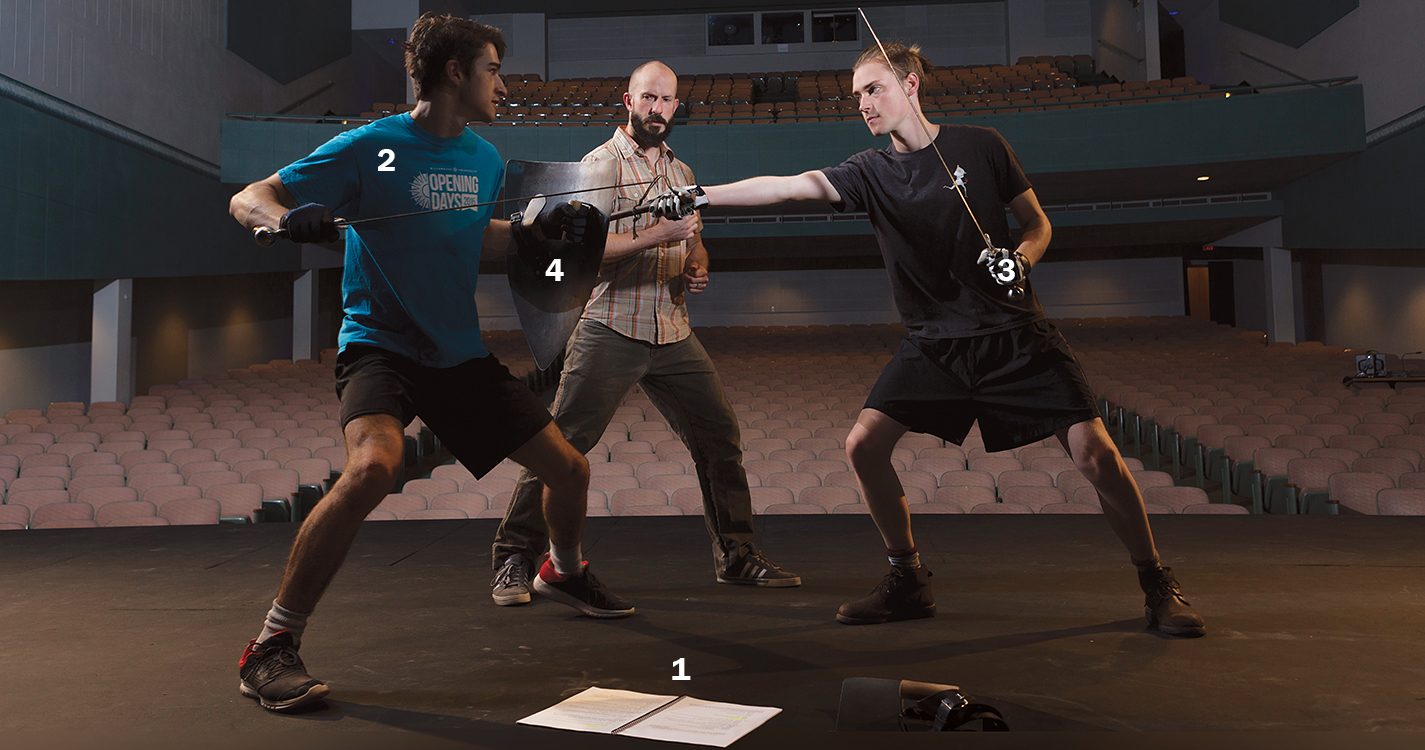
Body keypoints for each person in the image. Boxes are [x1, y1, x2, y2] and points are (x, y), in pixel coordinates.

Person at [651, 43, 1205, 636]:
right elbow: (790, 186)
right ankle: (907, 579)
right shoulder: (870, 171)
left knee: (1097, 455)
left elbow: (1039, 225)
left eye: (873, 89)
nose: (862, 103)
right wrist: (702, 194)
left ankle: (1156, 583)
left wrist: (1021, 260)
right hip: (935, 344)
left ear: (910, 85)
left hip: (1015, 333)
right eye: (856, 94)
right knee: (862, 446)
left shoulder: (982, 146)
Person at [227, 14, 634, 713]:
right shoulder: (369, 146)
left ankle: (562, 571)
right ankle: (270, 645)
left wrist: (538, 236)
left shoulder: (483, 160)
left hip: (456, 354)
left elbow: (475, 243)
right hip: (380, 344)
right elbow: (250, 197)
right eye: (492, 71)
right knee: (374, 466)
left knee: (569, 469)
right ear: (455, 73)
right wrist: (281, 221)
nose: (503, 86)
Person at [490, 61, 799, 605]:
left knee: (719, 440)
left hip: (673, 330)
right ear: (628, 101)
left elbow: (693, 237)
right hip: (612, 325)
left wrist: (696, 260)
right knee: (560, 448)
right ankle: (515, 557)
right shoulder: (599, 166)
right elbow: (578, 253)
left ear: (676, 107)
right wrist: (658, 235)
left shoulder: (681, 172)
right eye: (648, 98)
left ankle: (736, 555)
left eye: (667, 100)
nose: (658, 109)